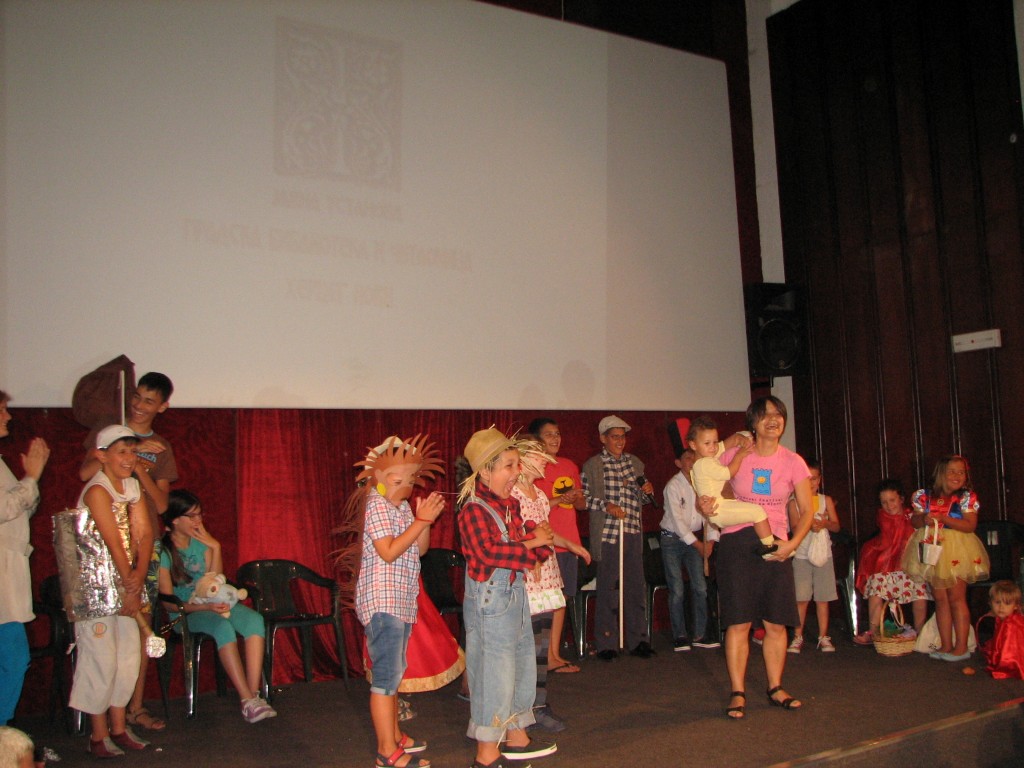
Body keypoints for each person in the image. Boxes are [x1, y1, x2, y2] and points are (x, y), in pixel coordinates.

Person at [697, 396, 814, 719]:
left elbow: (807, 510)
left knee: (776, 622)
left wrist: (792, 544)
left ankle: (776, 687)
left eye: (778, 414)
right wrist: (703, 505)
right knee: (739, 622)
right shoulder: (736, 453)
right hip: (737, 542)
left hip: (776, 543)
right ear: (753, 423)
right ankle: (737, 691)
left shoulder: (793, 461)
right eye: (765, 415)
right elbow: (706, 485)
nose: (773, 420)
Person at [79, 371, 178, 733]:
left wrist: (139, 466)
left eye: (149, 401)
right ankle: (101, 725)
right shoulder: (107, 433)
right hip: (105, 553)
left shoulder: (162, 447)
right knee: (105, 637)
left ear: (162, 407)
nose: (139, 405)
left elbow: (162, 505)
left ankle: (132, 710)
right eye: (137, 397)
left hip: (143, 546)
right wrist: (123, 450)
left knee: (139, 628)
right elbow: (86, 473)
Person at [457, 427, 557, 768]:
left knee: (520, 665)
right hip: (491, 604)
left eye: (517, 465)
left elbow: (529, 553)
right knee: (493, 672)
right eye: (509, 466)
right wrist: (533, 542)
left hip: (514, 596)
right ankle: (486, 753)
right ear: (486, 472)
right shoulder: (474, 510)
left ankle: (516, 735)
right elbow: (488, 553)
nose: (517, 472)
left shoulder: (510, 505)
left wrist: (536, 542)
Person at [343, 435, 445, 768]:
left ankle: (396, 736)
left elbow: (420, 549)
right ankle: (386, 752)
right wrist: (421, 521)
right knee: (386, 677)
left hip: (400, 600)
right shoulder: (376, 504)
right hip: (383, 602)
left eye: (410, 480)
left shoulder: (400, 506)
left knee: (395, 673)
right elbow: (388, 551)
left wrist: (423, 521)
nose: (405, 486)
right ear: (377, 477)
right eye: (396, 480)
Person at [158, 489, 277, 724]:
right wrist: (204, 609)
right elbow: (169, 604)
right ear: (175, 520)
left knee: (255, 620)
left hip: (214, 606)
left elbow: (215, 583)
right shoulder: (163, 552)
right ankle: (246, 699)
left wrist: (215, 547)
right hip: (187, 613)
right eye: (191, 516)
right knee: (223, 627)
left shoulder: (201, 544)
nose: (198, 521)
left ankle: (252, 695)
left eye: (200, 514)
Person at [68, 425, 152, 757]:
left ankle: (119, 727)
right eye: (121, 452)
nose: (129, 458)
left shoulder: (131, 485)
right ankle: (98, 734)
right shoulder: (97, 490)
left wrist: (138, 577)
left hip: (126, 582)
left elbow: (144, 533)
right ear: (102, 456)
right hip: (97, 587)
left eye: (132, 451)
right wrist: (130, 582)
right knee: (101, 657)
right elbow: (113, 541)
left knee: (128, 655)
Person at [513, 439, 590, 733]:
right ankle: (524, 708)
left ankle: (538, 704)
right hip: (528, 574)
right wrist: (530, 557)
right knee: (527, 646)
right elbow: (516, 536)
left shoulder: (540, 496)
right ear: (523, 461)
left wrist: (571, 544)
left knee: (541, 645)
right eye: (539, 456)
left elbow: (547, 532)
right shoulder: (513, 495)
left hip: (546, 573)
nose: (546, 460)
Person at [580, 415, 655, 661]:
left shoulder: (635, 463)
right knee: (608, 587)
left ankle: (639, 640)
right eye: (614, 437)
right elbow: (583, 499)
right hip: (608, 533)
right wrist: (607, 506)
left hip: (631, 530)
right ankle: (606, 642)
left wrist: (647, 492)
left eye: (622, 437)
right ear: (603, 439)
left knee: (635, 586)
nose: (620, 441)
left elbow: (642, 499)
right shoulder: (593, 465)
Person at [902, 455, 990, 662]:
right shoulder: (924, 496)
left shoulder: (965, 497)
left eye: (961, 472)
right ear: (940, 473)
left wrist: (944, 518)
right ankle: (946, 644)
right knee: (940, 599)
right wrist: (924, 518)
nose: (957, 475)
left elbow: (970, 525)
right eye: (952, 471)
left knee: (956, 598)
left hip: (956, 548)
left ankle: (961, 647)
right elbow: (914, 522)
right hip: (932, 546)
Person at [0, 391, 50, 727]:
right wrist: (31, 477)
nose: (8, 416)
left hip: (8, 575)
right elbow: (4, 508)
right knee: (14, 659)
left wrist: (30, 482)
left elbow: (21, 511)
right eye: (2, 410)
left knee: (12, 660)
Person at [528, 417, 587, 673]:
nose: (555, 439)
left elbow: (581, 504)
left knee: (561, 599)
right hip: (544, 545)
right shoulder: (533, 470)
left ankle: (553, 654)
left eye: (557, 434)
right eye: (548, 434)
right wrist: (559, 498)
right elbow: (536, 509)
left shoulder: (569, 465)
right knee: (545, 603)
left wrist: (575, 498)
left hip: (567, 539)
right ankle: (544, 658)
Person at [852, 478, 930, 645]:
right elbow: (887, 543)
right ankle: (873, 631)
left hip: (909, 564)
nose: (889, 505)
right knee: (876, 587)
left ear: (901, 499)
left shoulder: (912, 516)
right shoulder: (883, 516)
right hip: (888, 563)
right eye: (884, 502)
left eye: (892, 500)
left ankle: (920, 632)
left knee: (920, 589)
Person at [687, 415, 777, 557]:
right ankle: (770, 548)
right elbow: (728, 473)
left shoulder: (704, 458)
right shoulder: (705, 463)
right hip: (719, 509)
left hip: (720, 507)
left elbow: (725, 445)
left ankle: (769, 546)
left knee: (757, 512)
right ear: (693, 445)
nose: (713, 447)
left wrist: (739, 438)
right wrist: (739, 456)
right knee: (758, 512)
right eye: (707, 443)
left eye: (715, 442)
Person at [660, 446, 719, 651]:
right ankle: (680, 635)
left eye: (695, 458)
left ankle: (700, 634)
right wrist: (699, 545)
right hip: (672, 540)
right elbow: (677, 522)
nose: (692, 462)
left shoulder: (703, 484)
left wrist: (711, 542)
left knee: (700, 587)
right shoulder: (673, 486)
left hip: (695, 540)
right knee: (677, 589)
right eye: (687, 458)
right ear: (678, 463)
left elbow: (711, 515)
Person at [786, 459, 840, 653]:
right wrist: (808, 524)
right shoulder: (794, 503)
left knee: (822, 598)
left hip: (823, 554)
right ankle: (797, 636)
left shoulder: (826, 500)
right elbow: (794, 528)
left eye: (814, 479)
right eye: (807, 479)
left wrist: (824, 523)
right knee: (801, 598)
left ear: (820, 480)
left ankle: (823, 636)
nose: (811, 483)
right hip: (802, 555)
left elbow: (836, 526)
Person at [977, 580, 1024, 679]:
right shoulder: (1003, 620)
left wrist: (1002, 666)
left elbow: (1011, 652)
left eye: (1007, 603)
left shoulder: (1011, 624)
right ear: (990, 603)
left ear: (1016, 606)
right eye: (997, 602)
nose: (1001, 607)